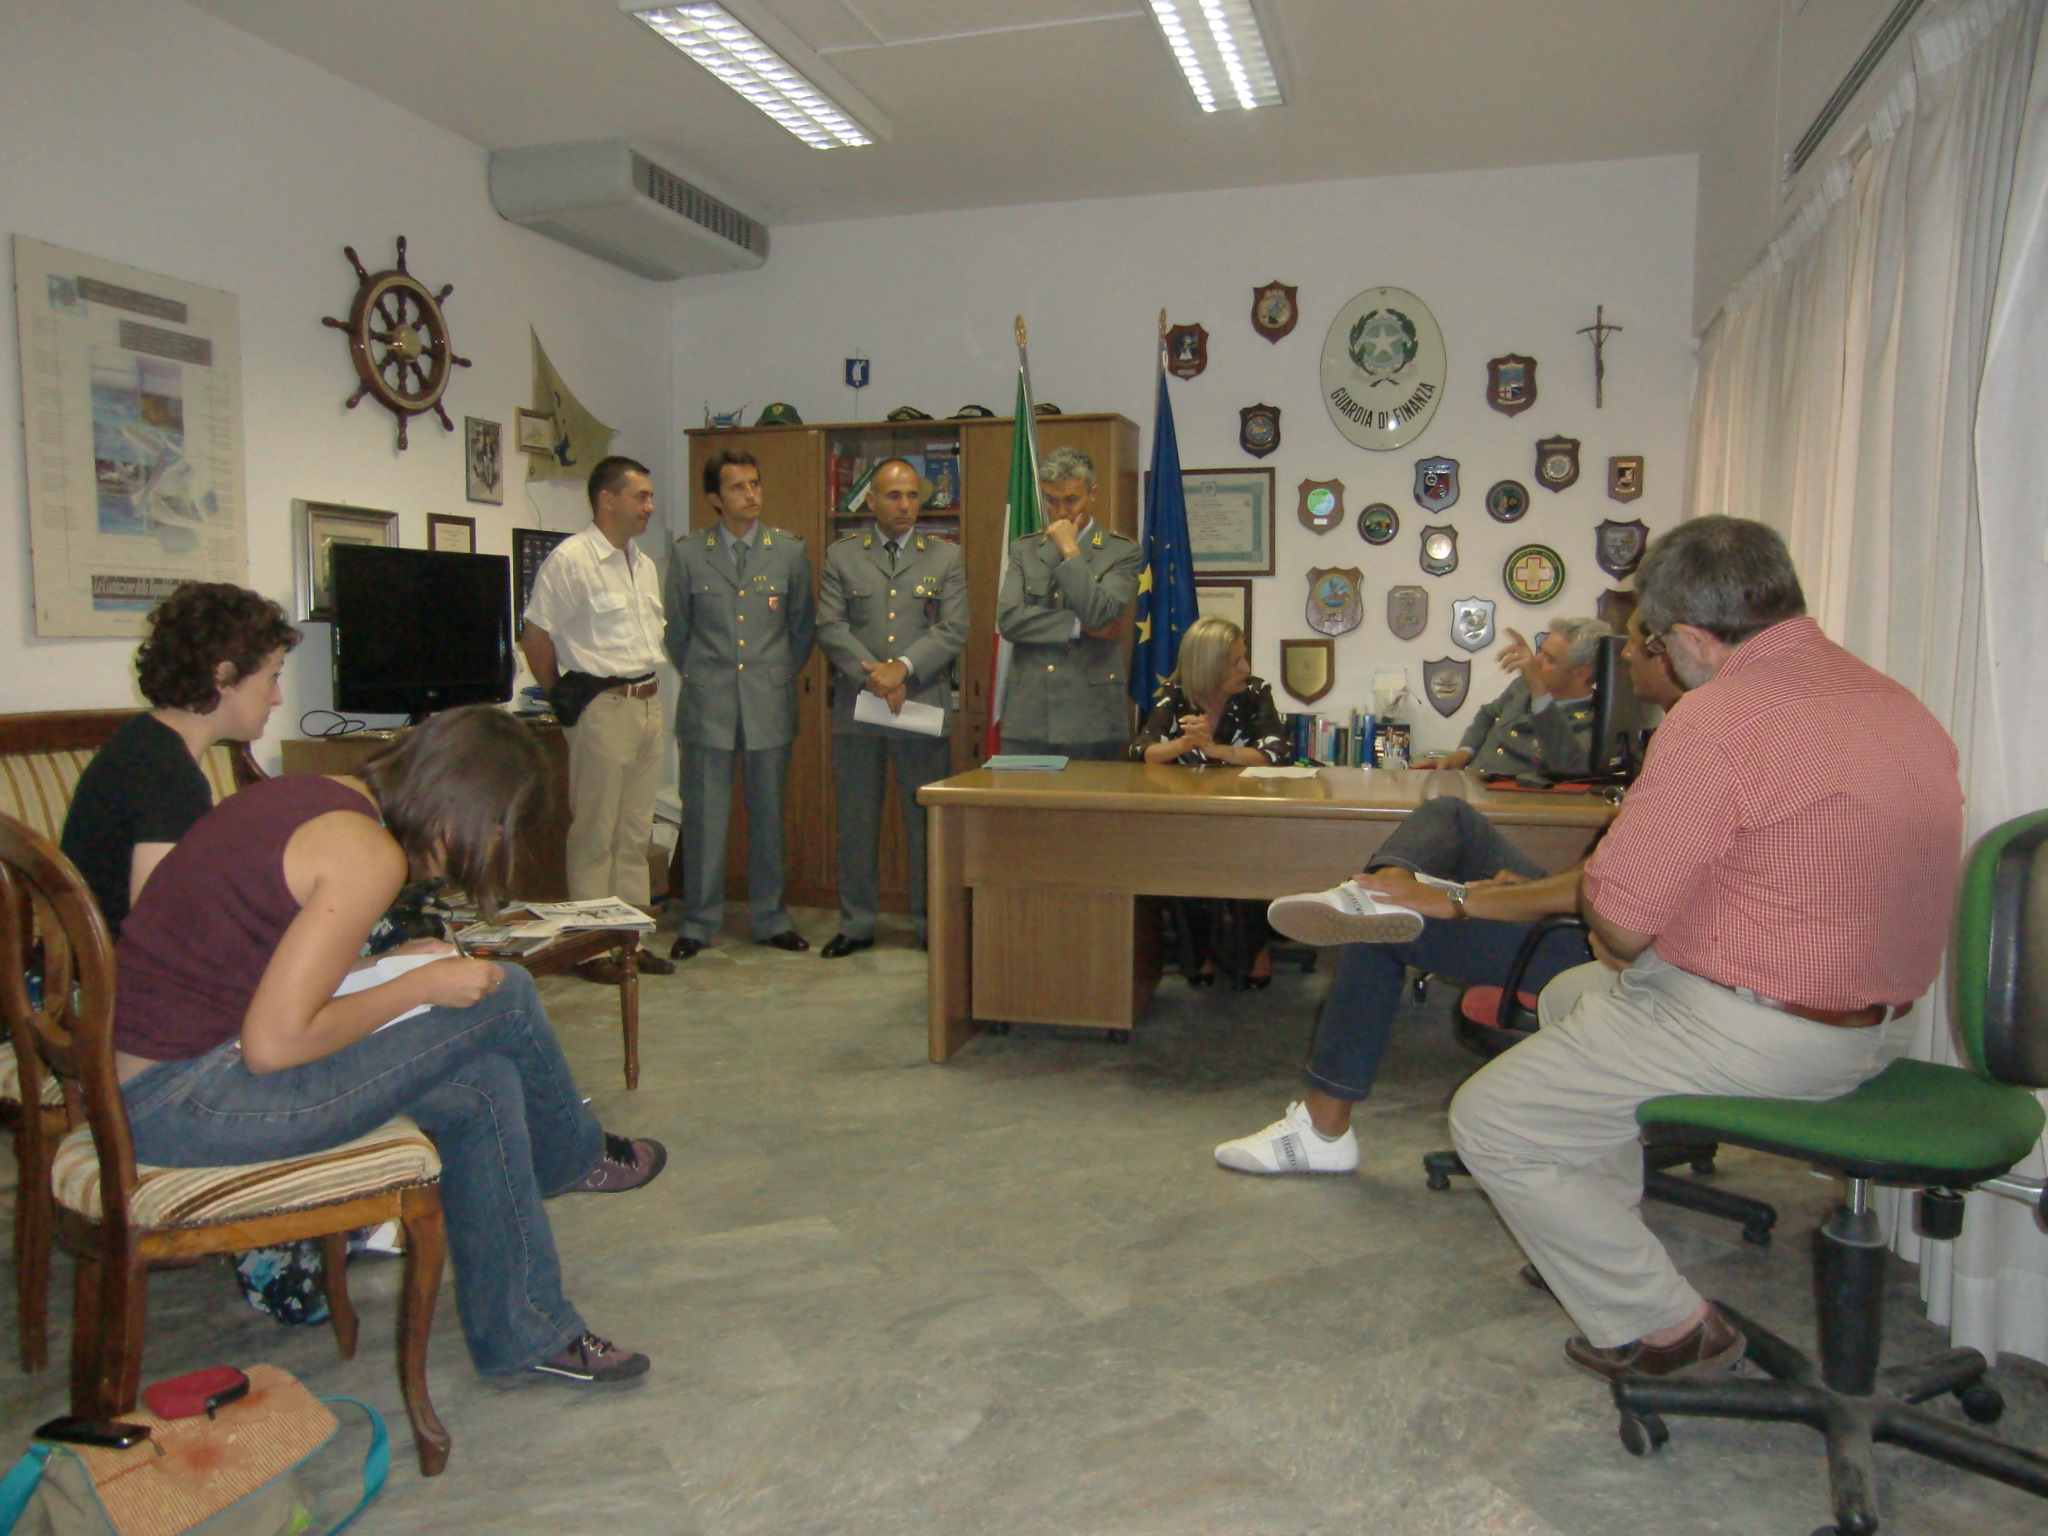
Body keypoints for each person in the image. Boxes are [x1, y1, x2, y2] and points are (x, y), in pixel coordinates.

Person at [1448, 517, 1962, 1383]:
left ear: (1689, 636)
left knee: (1491, 1121)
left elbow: (1618, 926)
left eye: (1651, 639)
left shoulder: (1719, 718)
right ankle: (1594, 1251)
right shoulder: (1892, 699)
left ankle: (1670, 1329)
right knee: (1577, 1000)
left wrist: (1626, 895)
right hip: (1879, 1027)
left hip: (1764, 1036)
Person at [113, 706, 668, 1385]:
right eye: (497, 823)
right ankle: (573, 1157)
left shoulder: (317, 800)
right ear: (459, 802)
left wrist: (387, 965)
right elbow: (276, 1042)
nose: (493, 843)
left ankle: (526, 1332)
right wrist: (421, 986)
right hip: (188, 1103)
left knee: (484, 1084)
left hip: (171, 1081)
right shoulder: (366, 854)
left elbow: (257, 976)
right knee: (509, 992)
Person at [1215, 610, 1671, 1174]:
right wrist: (1520, 888)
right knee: (1449, 813)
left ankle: (1323, 1130)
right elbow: (1606, 879)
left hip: (1606, 950)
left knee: (1379, 928)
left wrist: (1468, 901)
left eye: (1646, 644)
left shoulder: (1696, 744)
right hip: (1599, 920)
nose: (1629, 656)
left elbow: (1609, 901)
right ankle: (1387, 883)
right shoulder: (1680, 731)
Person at [61, 582, 297, 938]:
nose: (277, 697)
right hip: (108, 982)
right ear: (224, 675)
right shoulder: (167, 777)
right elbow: (158, 931)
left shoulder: (143, 741)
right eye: (273, 676)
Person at [518, 455, 676, 978]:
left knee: (634, 833)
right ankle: (589, 946)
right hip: (603, 709)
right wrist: (560, 696)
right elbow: (535, 636)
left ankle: (627, 940)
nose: (650, 506)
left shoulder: (643, 564)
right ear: (607, 499)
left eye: (650, 497)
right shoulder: (572, 559)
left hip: (648, 704)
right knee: (595, 833)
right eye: (641, 496)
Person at [664, 449, 816, 959]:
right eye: (738, 487)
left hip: (768, 705)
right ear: (714, 499)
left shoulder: (789, 551)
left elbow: (801, 628)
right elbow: (677, 634)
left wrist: (772, 677)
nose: (751, 495)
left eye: (755, 484)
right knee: (705, 819)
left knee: (768, 817)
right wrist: (713, 675)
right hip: (708, 705)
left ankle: (770, 918)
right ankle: (699, 922)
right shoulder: (689, 554)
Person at [814, 459, 969, 958]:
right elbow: (830, 628)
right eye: (894, 496)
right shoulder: (843, 557)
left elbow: (952, 629)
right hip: (860, 709)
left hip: (920, 707)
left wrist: (902, 668)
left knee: (926, 824)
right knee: (857, 821)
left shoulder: (945, 558)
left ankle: (930, 922)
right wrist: (874, 677)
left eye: (911, 496)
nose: (904, 506)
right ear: (873, 501)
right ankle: (857, 923)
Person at [1128, 616, 1287, 986]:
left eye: (1244, 658)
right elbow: (1140, 749)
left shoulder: (1255, 693)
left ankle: (1253, 951)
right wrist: (1183, 745)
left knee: (1243, 860)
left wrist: (1216, 749)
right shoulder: (1176, 695)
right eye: (1236, 661)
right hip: (1190, 815)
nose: (1246, 667)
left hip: (1247, 814)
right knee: (1184, 862)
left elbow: (1277, 752)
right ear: (1209, 665)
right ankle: (1196, 955)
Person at [994, 446, 1142, 760]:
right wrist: (1076, 626)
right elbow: (1009, 619)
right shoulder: (1025, 549)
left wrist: (1071, 551)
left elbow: (1100, 615)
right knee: (1021, 808)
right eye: (1051, 500)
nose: (1061, 512)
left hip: (1090, 717)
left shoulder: (1121, 552)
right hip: (1028, 717)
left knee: (1088, 807)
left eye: (1071, 500)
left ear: (1092, 494)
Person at [1413, 617, 1610, 777]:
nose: (1536, 661)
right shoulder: (1522, 687)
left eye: (1549, 659)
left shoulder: (1595, 721)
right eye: (1540, 651)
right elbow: (1488, 715)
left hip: (1517, 811)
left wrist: (1537, 687)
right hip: (1474, 787)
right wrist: (1462, 755)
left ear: (1581, 673)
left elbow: (1568, 769)